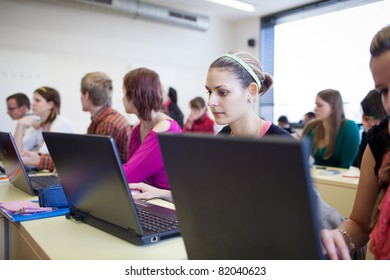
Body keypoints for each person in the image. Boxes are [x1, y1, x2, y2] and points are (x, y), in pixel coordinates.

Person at [132, 50, 345, 233]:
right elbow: (206, 197)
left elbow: (293, 223)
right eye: (209, 91)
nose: (211, 101)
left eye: (222, 92)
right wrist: (160, 193)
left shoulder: (281, 146)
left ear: (251, 92)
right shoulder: (223, 138)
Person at [321, 25, 390, 260]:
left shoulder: (349, 129)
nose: (388, 103)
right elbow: (360, 224)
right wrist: (335, 239)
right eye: (383, 91)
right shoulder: (379, 142)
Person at [22, 72, 133, 171]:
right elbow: (82, 158)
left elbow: (89, 166)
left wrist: (40, 161)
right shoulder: (103, 120)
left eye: (81, 93)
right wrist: (40, 159)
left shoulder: (107, 124)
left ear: (86, 95)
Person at [122, 68, 182, 199]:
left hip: (169, 207)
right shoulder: (138, 128)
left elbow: (127, 176)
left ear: (135, 95)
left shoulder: (166, 131)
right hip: (150, 201)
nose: (122, 97)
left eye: (124, 92)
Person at [301, 89, 360, 169]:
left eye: (320, 105)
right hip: (316, 176)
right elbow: (301, 162)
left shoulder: (349, 127)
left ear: (333, 108)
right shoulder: (311, 127)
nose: (315, 109)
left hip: (338, 178)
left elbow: (345, 166)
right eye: (315, 105)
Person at [13, 87, 74, 157]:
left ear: (50, 105)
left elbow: (42, 155)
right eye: (33, 100)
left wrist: (23, 155)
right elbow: (16, 153)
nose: (32, 104)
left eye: (37, 100)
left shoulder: (61, 124)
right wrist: (20, 124)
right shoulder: (38, 125)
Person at [353, 89, 387, 168]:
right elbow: (361, 166)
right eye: (367, 118)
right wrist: (366, 132)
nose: (370, 123)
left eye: (370, 118)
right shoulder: (375, 135)